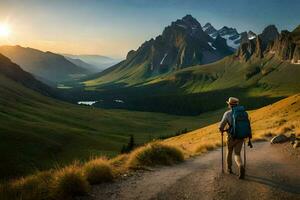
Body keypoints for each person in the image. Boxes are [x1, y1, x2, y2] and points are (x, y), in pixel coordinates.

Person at [219, 97, 252, 179]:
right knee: (237, 154)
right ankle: (240, 165)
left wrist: (222, 130)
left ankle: (229, 169)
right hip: (240, 137)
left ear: (230, 105)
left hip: (231, 137)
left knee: (229, 152)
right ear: (237, 104)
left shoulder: (227, 114)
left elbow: (221, 126)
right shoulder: (244, 113)